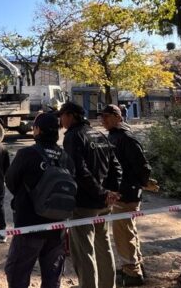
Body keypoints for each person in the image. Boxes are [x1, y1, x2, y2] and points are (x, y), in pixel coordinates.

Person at [4, 112, 76, 288]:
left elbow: (11, 182)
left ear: (37, 130)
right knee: (52, 278)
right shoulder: (66, 158)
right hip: (58, 227)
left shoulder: (26, 154)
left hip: (29, 225)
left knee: (18, 274)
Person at [61, 101, 121, 288]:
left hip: (84, 204)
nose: (61, 120)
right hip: (104, 203)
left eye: (62, 115)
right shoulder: (99, 134)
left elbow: (79, 171)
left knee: (84, 252)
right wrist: (111, 192)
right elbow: (116, 166)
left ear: (71, 116)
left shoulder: (73, 136)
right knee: (104, 246)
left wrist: (103, 193)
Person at [100, 105, 152, 287]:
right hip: (121, 192)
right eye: (102, 117)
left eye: (107, 116)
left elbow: (143, 167)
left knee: (123, 234)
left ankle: (132, 273)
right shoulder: (114, 136)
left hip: (126, 194)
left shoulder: (126, 138)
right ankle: (136, 266)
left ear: (118, 117)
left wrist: (140, 184)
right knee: (128, 230)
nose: (103, 120)